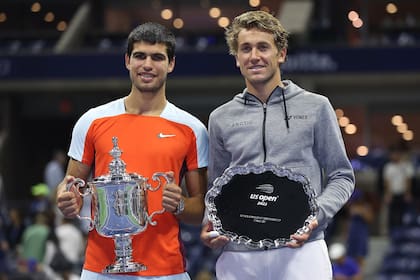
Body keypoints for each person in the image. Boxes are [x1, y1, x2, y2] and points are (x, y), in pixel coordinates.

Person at [200, 10, 355, 279]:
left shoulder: (316, 107)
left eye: (263, 47)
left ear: (281, 53)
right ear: (236, 58)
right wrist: (209, 222)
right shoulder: (221, 118)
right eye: (245, 48)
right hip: (239, 256)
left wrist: (316, 215)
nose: (254, 56)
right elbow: (218, 186)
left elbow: (342, 176)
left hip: (302, 249)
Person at [56, 22, 209, 279]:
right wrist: (66, 201)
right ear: (127, 60)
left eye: (157, 57)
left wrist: (180, 204)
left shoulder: (192, 129)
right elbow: (70, 186)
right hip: (101, 269)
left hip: (166, 270)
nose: (147, 65)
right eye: (140, 56)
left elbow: (198, 211)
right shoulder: (92, 121)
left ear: (171, 64)